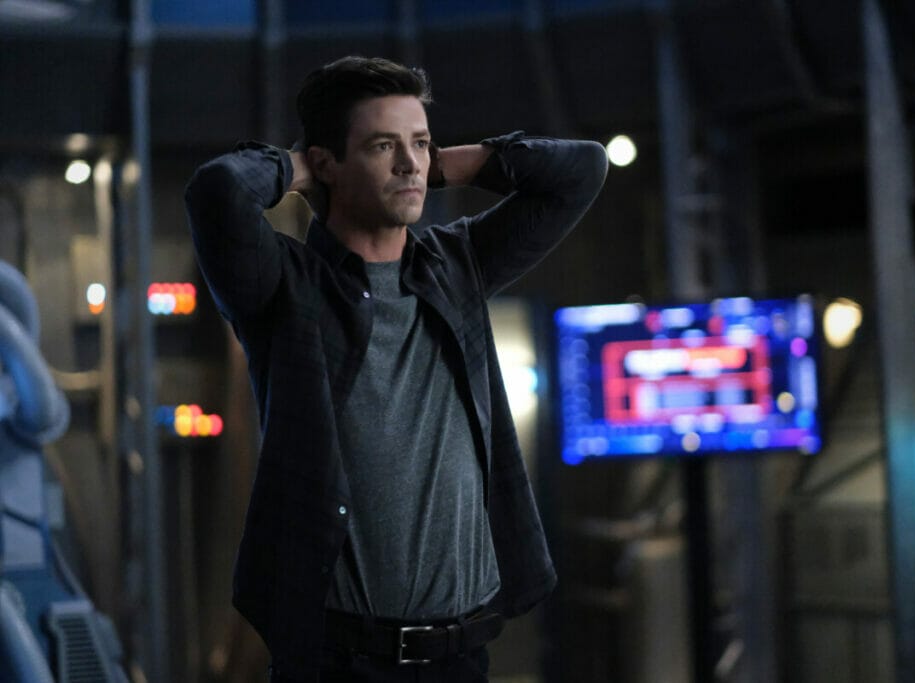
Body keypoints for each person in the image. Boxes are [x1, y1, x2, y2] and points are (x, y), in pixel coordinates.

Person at [185, 55, 607, 682]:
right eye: (384, 146)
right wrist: (295, 169)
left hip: (463, 657)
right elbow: (216, 191)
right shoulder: (287, 287)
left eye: (420, 143)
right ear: (327, 162)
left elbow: (582, 170)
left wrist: (449, 164)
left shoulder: (457, 264)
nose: (410, 163)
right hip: (340, 663)